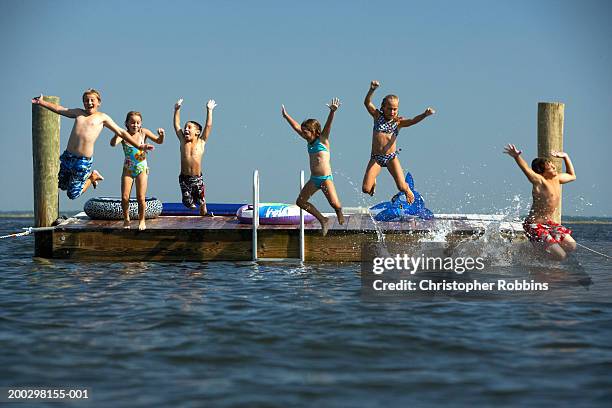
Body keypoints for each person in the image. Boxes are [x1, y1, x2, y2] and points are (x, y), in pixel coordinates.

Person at [31, 89, 154, 200]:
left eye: (92, 100)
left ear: (98, 102)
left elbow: (121, 132)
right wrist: (41, 103)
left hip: (83, 160)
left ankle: (92, 177)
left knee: (72, 194)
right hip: (68, 156)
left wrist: (139, 146)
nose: (89, 103)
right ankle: (89, 176)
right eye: (86, 100)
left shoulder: (102, 118)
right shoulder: (78, 113)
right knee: (61, 185)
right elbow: (59, 109)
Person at [362, 80, 435, 203]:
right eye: (389, 109)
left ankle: (408, 190)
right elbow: (367, 102)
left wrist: (424, 114)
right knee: (366, 189)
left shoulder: (398, 122)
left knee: (401, 186)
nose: (392, 112)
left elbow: (412, 121)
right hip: (376, 158)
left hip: (391, 158)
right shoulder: (377, 117)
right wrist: (372, 90)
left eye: (395, 109)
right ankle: (373, 180)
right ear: (383, 108)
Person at [281, 98, 345, 236]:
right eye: (303, 132)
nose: (303, 134)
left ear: (315, 132)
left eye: (306, 132)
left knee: (335, 204)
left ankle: (339, 211)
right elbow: (296, 127)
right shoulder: (308, 141)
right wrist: (286, 116)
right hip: (314, 179)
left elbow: (328, 126)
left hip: (326, 178)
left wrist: (332, 112)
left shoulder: (323, 140)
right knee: (300, 202)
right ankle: (323, 219)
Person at [504, 144, 577, 260]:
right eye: (551, 168)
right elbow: (527, 169)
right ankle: (531, 257)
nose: (555, 168)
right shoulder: (539, 181)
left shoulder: (558, 179)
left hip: (548, 224)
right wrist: (517, 157)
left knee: (571, 245)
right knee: (560, 256)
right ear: (542, 172)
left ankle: (535, 253)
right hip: (534, 225)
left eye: (554, 166)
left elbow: (572, 176)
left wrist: (565, 157)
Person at [110, 111, 165, 230]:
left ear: (141, 124)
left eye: (137, 123)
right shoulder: (123, 134)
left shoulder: (143, 132)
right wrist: (116, 134)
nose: (135, 125)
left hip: (141, 168)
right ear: (127, 123)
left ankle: (142, 220)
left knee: (141, 197)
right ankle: (126, 219)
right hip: (128, 169)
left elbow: (159, 141)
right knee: (125, 197)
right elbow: (113, 144)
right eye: (132, 122)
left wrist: (161, 135)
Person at [173, 98, 216, 216]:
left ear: (197, 132)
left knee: (201, 201)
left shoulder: (201, 142)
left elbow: (208, 126)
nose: (186, 129)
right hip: (184, 178)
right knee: (189, 204)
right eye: (185, 127)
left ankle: (204, 211)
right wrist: (177, 109)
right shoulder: (182, 141)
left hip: (197, 178)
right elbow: (177, 125)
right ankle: (191, 202)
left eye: (189, 128)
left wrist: (209, 110)